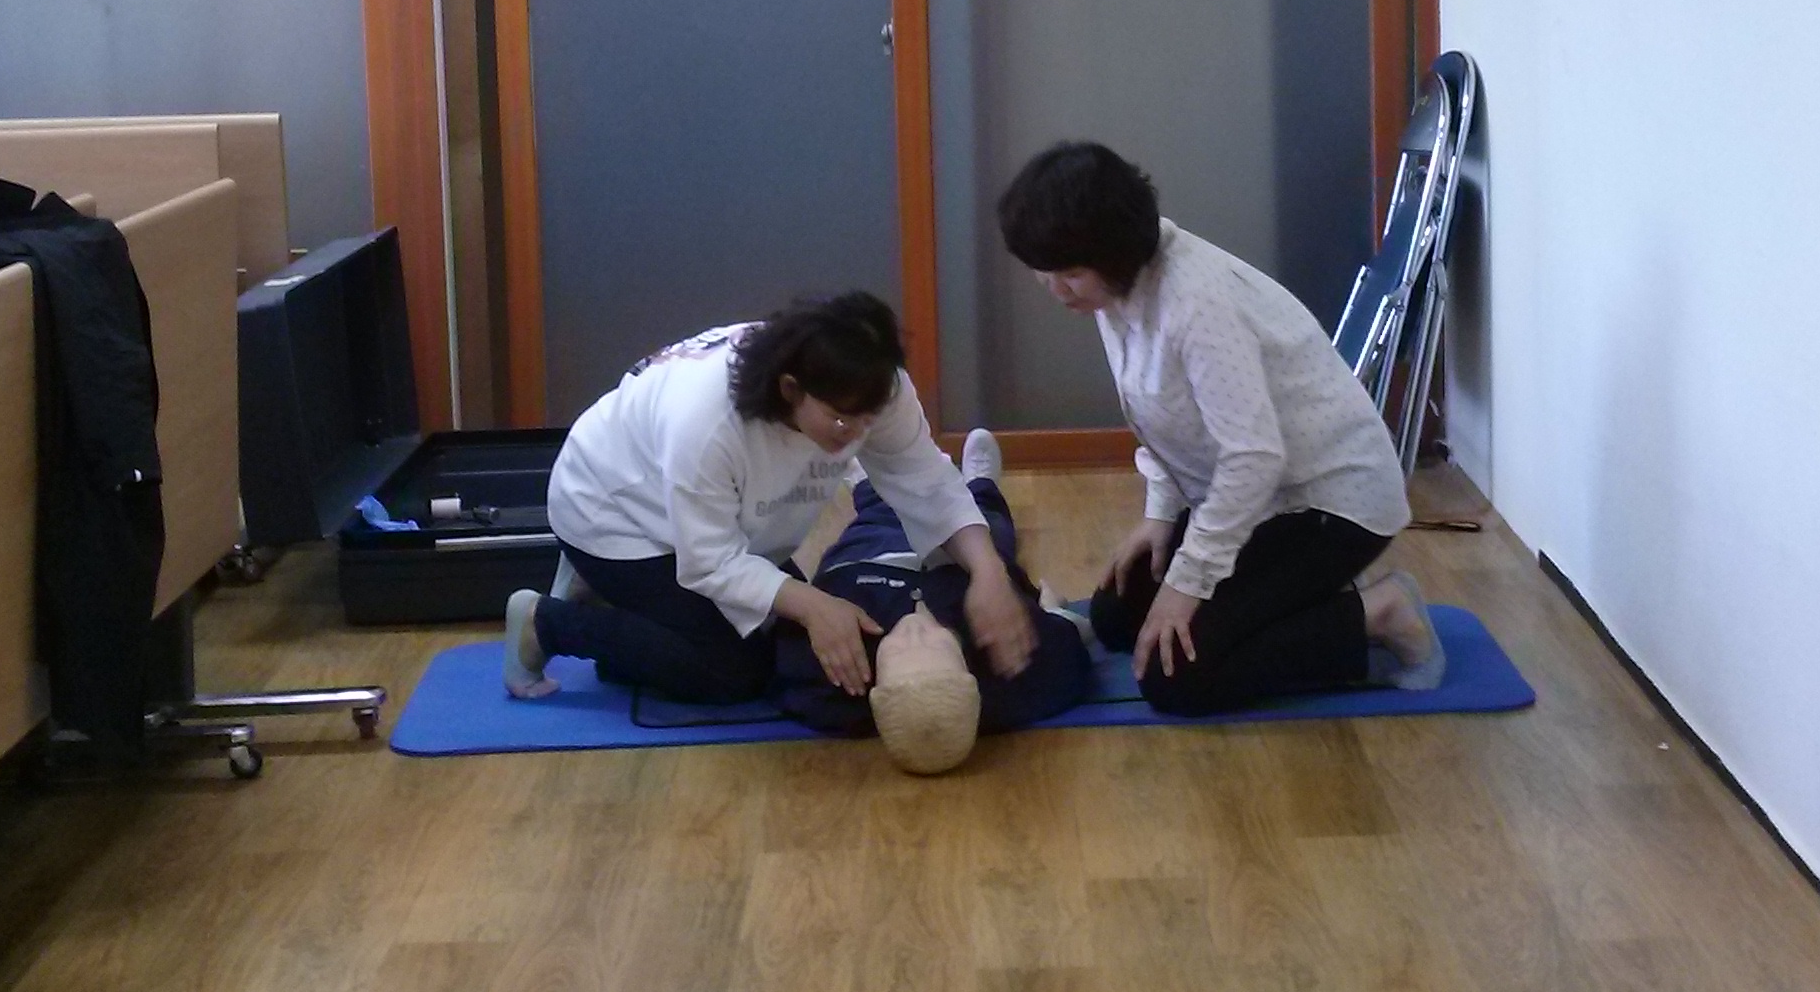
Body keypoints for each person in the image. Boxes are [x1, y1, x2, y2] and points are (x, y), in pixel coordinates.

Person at [996, 141, 1443, 717]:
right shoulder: (1115, 290)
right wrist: (1161, 517)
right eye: (1045, 273)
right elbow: (1161, 418)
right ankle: (1294, 600)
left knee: (1174, 676)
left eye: (1071, 274)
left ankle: (1379, 615)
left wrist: (1190, 581)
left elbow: (1254, 459)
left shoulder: (1196, 303)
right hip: (1261, 496)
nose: (1056, 290)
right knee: (1117, 616)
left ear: (1115, 253)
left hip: (1332, 506)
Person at [503, 292, 1043, 710]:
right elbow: (710, 561)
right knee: (731, 672)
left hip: (713, 519)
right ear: (790, 390)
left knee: (794, 648)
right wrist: (814, 605)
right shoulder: (707, 421)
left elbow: (926, 481)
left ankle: (640, 610)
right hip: (613, 511)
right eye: (841, 420)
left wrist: (989, 572)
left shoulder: (872, 386)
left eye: (868, 419)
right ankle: (546, 623)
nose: (858, 434)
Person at [773, 428, 1092, 760]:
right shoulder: (1009, 671)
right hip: (961, 568)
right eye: (938, 643)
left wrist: (808, 607)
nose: (914, 630)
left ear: (875, 691)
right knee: (989, 522)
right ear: (972, 676)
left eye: (897, 650)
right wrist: (1052, 610)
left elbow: (784, 663)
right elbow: (1070, 649)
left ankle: (870, 485)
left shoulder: (828, 682)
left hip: (872, 558)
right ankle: (981, 484)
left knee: (878, 519)